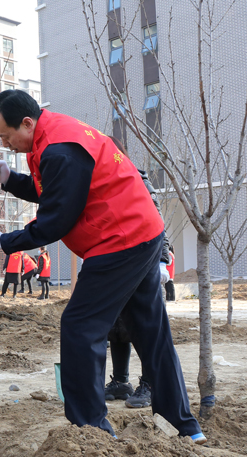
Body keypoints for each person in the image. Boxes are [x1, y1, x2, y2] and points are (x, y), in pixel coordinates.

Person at [0, 89, 206, 443]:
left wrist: (3, 241)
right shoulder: (54, 135)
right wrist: (11, 179)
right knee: (150, 331)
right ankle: (183, 427)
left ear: (27, 122)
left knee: (81, 326)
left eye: (7, 136)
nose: (6, 145)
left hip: (119, 240)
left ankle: (90, 431)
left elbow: (55, 220)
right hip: (141, 232)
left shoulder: (59, 149)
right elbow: (57, 190)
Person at [105, 137, 172, 405]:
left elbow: (156, 223)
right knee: (117, 326)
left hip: (144, 263)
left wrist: (162, 262)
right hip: (116, 265)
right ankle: (121, 381)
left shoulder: (136, 180)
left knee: (143, 326)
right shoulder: (103, 181)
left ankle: (150, 382)